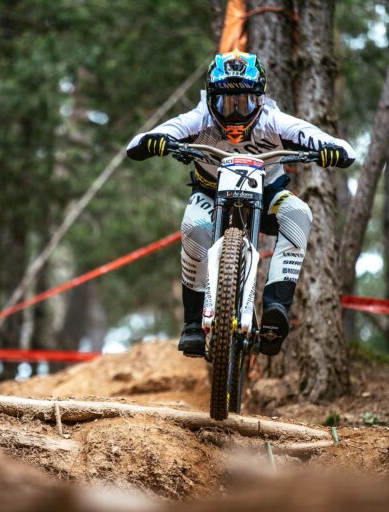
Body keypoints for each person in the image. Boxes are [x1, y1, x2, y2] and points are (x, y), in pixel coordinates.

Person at [126, 50, 355, 358]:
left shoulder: (274, 120)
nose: (234, 113)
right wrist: (155, 141)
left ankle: (276, 308)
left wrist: (331, 150)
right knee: (195, 227)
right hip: (210, 194)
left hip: (267, 195)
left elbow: (334, 144)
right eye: (225, 102)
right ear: (211, 99)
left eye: (244, 102)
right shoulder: (199, 119)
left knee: (298, 213)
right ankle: (193, 324)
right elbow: (139, 142)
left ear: (260, 99)